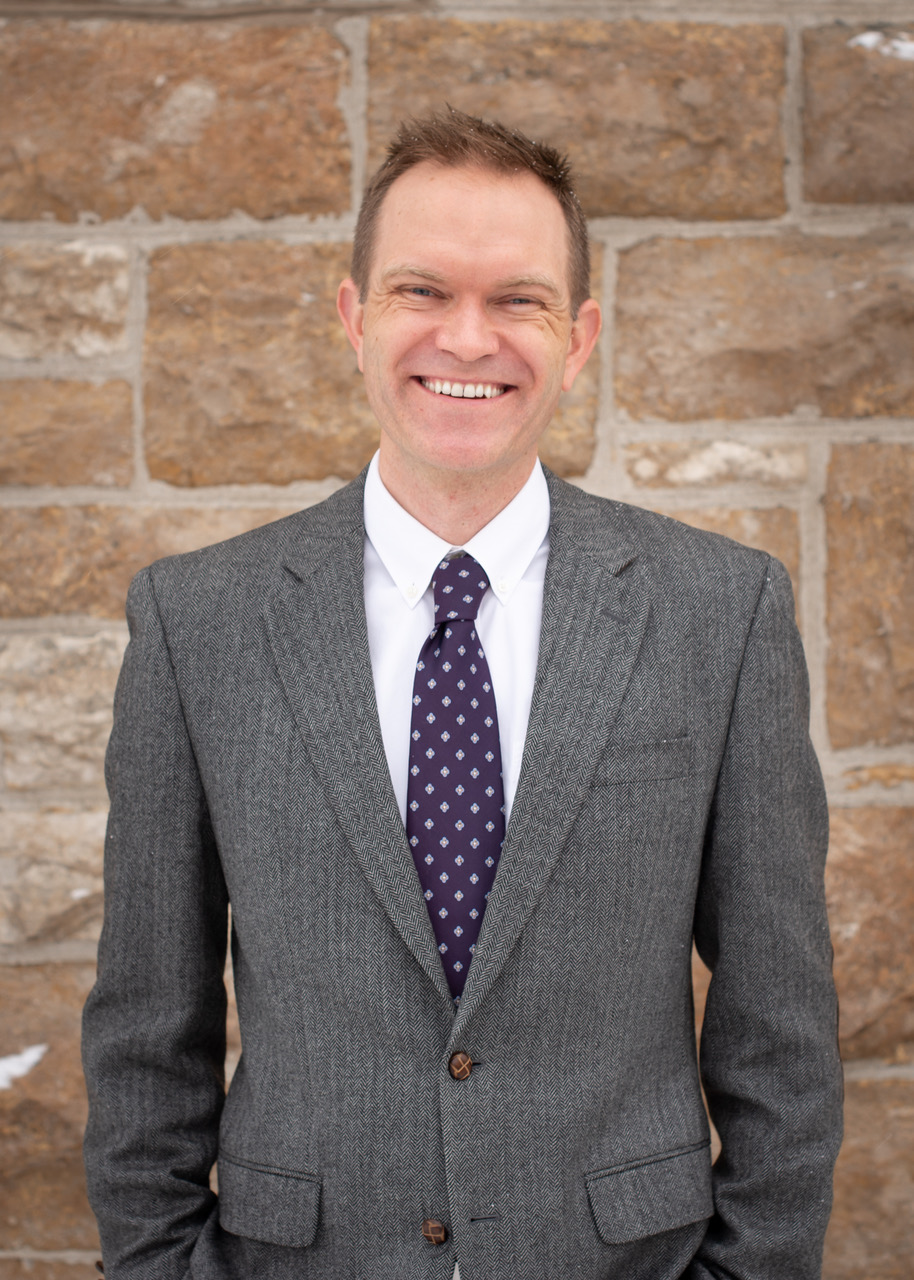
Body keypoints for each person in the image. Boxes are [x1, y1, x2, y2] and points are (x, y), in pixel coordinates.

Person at [82, 109, 842, 1280]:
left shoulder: (718, 611)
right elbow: (145, 1028)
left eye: (519, 300)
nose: (467, 337)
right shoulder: (199, 623)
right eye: (421, 290)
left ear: (578, 335)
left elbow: (778, 1025)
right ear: (353, 315)